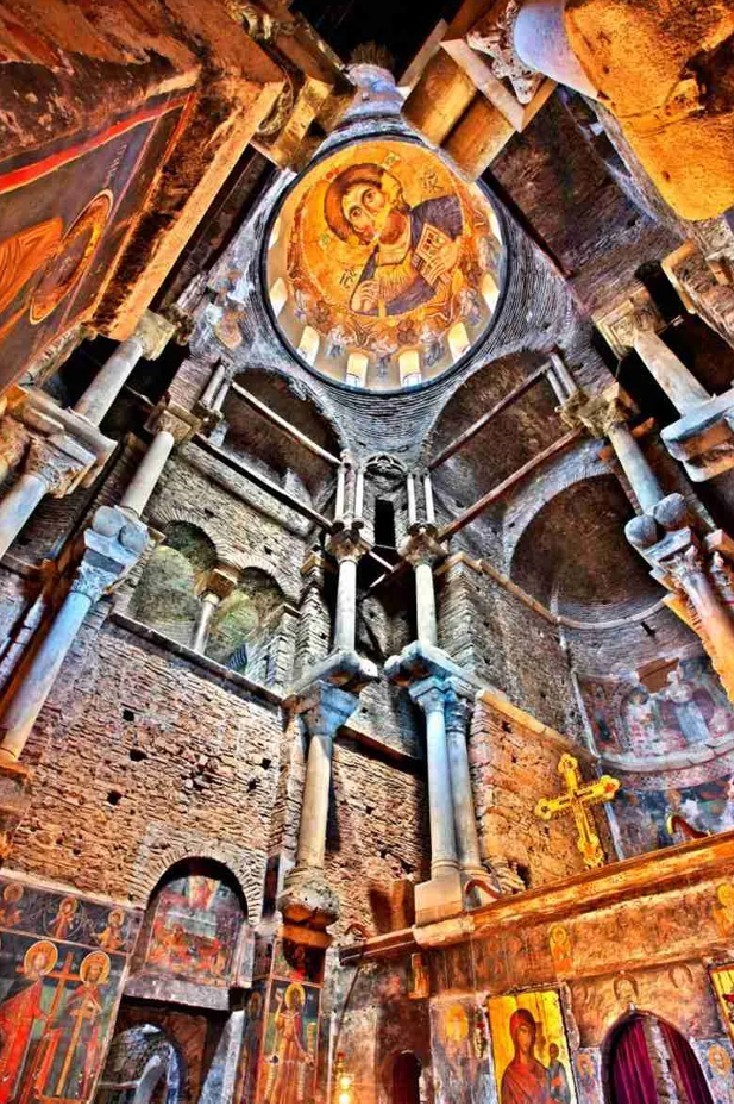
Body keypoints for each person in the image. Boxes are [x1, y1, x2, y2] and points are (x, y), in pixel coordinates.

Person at [323, 163, 464, 318]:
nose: (369, 214)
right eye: (356, 213)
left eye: (369, 197)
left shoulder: (433, 214)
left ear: (387, 191)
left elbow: (471, 217)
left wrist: (458, 247)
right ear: (355, 229)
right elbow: (385, 321)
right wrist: (359, 308)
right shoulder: (371, 276)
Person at [500, 1008, 551, 1104]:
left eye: (531, 1032)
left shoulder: (542, 1071)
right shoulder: (509, 1077)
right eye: (523, 1031)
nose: (528, 1037)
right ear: (515, 1034)